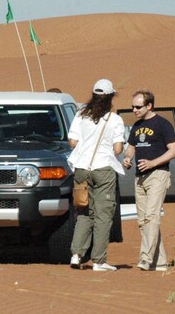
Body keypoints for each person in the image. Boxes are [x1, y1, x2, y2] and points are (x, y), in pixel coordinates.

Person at [67, 78, 125, 272]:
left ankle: (77, 254)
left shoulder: (80, 115)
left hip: (82, 169)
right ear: (110, 97)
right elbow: (117, 149)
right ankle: (99, 260)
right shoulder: (115, 119)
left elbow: (73, 142)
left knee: (83, 211)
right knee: (103, 215)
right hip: (103, 169)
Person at [122, 90, 175, 272]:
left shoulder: (163, 124)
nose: (134, 110)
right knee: (143, 221)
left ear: (149, 106)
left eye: (138, 107)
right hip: (140, 177)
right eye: (132, 107)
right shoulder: (137, 126)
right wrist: (128, 158)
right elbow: (131, 147)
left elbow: (174, 150)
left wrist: (153, 162)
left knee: (151, 217)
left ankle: (146, 258)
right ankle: (160, 261)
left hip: (158, 175)